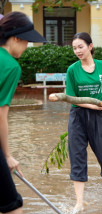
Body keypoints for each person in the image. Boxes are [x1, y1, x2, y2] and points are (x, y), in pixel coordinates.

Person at [66, 32, 102, 213]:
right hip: (78, 117)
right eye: (74, 48)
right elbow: (72, 98)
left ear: (90, 46)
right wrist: (95, 106)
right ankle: (79, 202)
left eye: (80, 47)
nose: (77, 51)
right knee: (77, 157)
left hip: (98, 118)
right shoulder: (72, 70)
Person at [0, 11, 46, 214]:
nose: (27, 47)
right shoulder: (10, 66)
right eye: (26, 41)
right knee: (12, 205)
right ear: (16, 37)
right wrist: (8, 156)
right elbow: (1, 115)